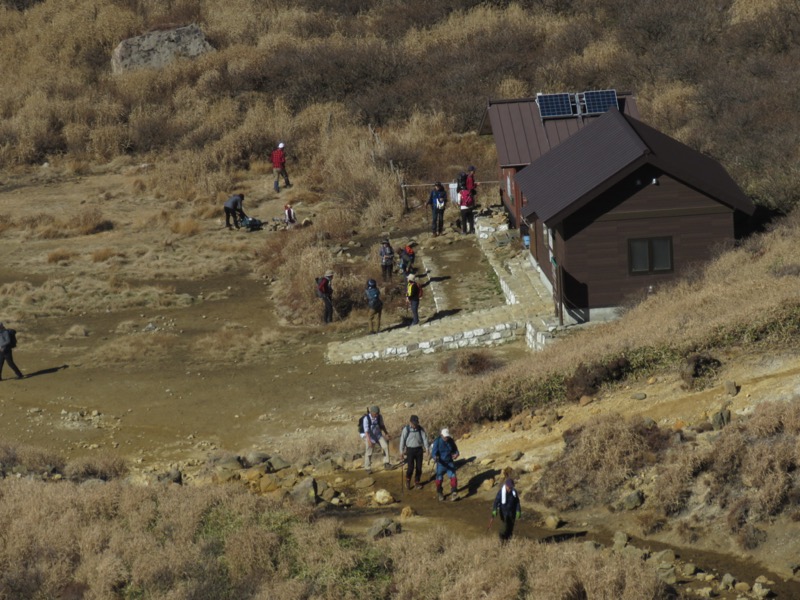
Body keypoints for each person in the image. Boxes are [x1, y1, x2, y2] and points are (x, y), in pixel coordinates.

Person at [399, 415, 429, 490]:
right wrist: (401, 452)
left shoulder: (420, 429)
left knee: (419, 467)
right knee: (410, 467)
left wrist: (427, 449)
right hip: (410, 450)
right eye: (414, 423)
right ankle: (408, 480)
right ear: (410, 422)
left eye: (416, 423)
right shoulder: (406, 429)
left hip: (419, 449)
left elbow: (425, 439)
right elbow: (402, 440)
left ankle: (417, 482)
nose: (415, 425)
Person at [431, 428, 460, 501]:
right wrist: (435, 458)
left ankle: (454, 493)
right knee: (439, 478)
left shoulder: (451, 441)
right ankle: (440, 492)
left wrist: (456, 454)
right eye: (445, 436)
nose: (446, 438)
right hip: (441, 463)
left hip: (449, 462)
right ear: (441, 435)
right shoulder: (437, 441)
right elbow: (433, 453)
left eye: (447, 436)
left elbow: (455, 450)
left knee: (453, 476)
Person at [361, 405, 391, 473]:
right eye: (375, 414)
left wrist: (386, 433)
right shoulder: (366, 419)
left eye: (377, 413)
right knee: (369, 452)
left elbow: (382, 425)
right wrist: (369, 441)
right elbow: (366, 431)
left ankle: (386, 463)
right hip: (370, 436)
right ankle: (367, 467)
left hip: (378, 435)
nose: (377, 415)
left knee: (385, 446)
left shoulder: (379, 417)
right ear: (372, 412)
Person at [492, 478, 522, 543]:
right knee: (503, 528)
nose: (510, 488)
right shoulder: (500, 492)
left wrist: (518, 510)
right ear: (506, 485)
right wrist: (494, 510)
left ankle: (508, 542)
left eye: (511, 487)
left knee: (510, 528)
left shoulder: (514, 492)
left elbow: (517, 502)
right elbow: (496, 502)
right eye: (509, 487)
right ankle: (501, 542)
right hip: (504, 513)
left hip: (512, 513)